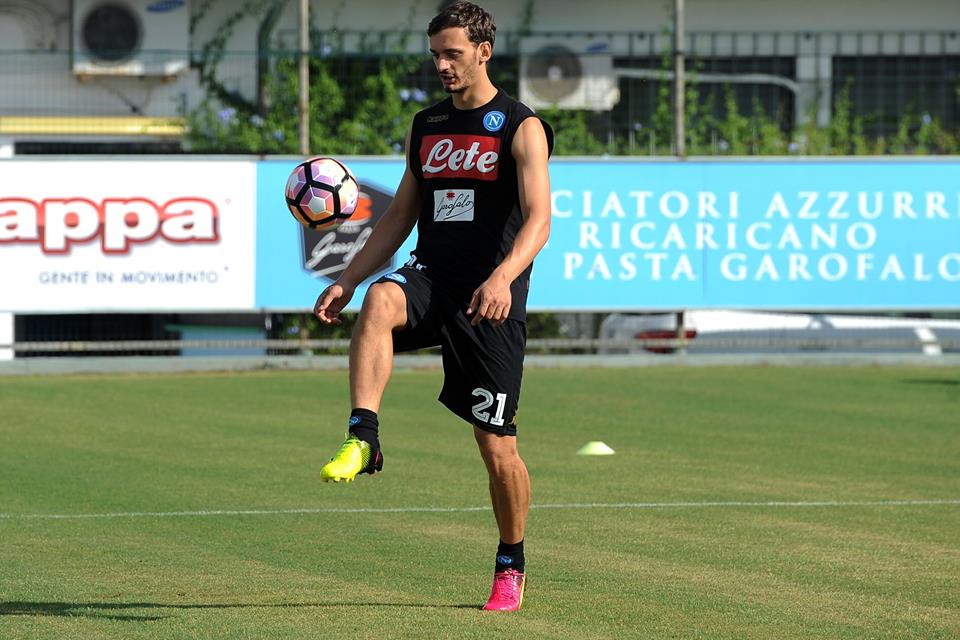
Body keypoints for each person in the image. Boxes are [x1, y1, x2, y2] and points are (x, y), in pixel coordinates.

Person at [313, 0, 553, 612]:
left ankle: (511, 562)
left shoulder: (520, 125)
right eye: (435, 55)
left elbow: (540, 220)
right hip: (432, 278)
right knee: (378, 301)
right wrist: (348, 277)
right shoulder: (427, 124)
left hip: (490, 299)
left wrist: (502, 278)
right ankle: (363, 436)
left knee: (497, 448)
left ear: (483, 52)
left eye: (453, 53)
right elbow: (400, 214)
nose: (442, 65)